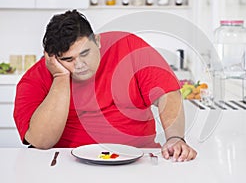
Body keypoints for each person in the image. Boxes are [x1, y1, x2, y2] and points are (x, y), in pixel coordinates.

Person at [13, 9, 197, 162]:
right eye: (68, 59)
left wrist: (174, 138)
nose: (79, 64)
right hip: (68, 161)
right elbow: (40, 142)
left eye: (85, 53)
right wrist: (60, 76)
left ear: (98, 41)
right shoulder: (35, 78)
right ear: (51, 58)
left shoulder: (128, 46)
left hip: (138, 158)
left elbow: (167, 93)